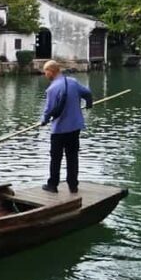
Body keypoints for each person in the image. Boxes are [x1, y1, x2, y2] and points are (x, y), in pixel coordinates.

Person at [40, 60, 93, 193]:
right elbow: (87, 93)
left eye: (45, 72)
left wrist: (44, 120)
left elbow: (48, 110)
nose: (45, 74)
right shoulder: (73, 82)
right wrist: (89, 104)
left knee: (56, 158)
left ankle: (52, 185)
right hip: (75, 127)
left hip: (59, 130)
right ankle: (73, 186)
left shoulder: (52, 89)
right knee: (72, 156)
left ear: (51, 71)